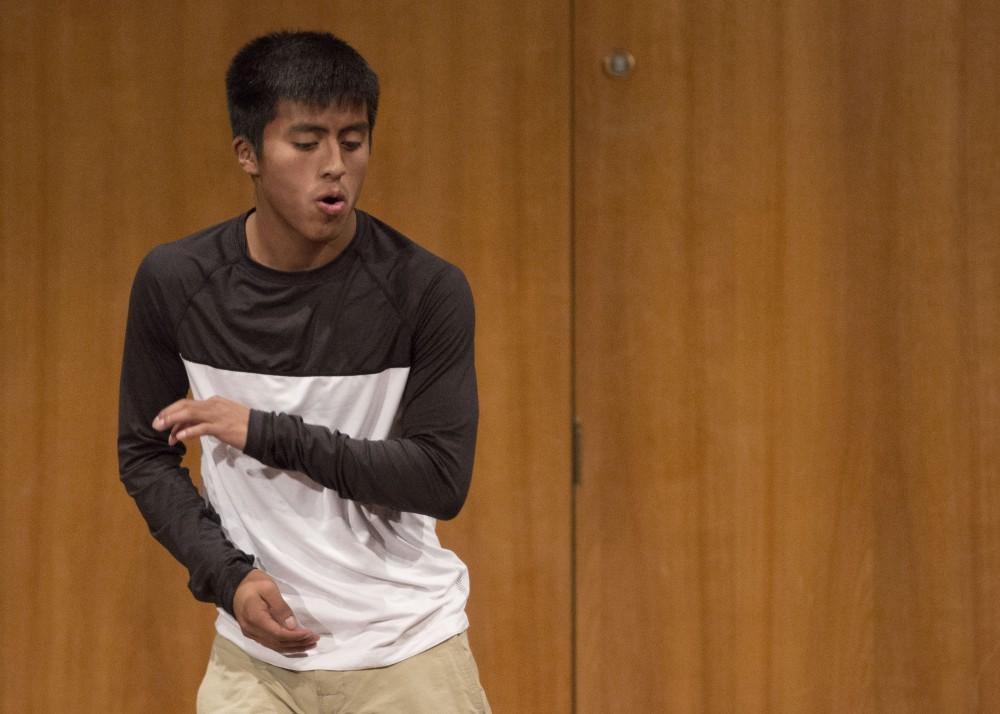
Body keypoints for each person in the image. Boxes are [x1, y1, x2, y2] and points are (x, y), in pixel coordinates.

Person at [117, 30, 490, 713]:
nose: (335, 166)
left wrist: (263, 432)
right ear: (248, 153)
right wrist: (226, 577)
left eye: (353, 141)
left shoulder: (424, 289)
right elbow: (144, 454)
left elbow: (440, 478)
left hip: (406, 653)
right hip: (252, 663)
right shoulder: (176, 281)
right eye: (307, 141)